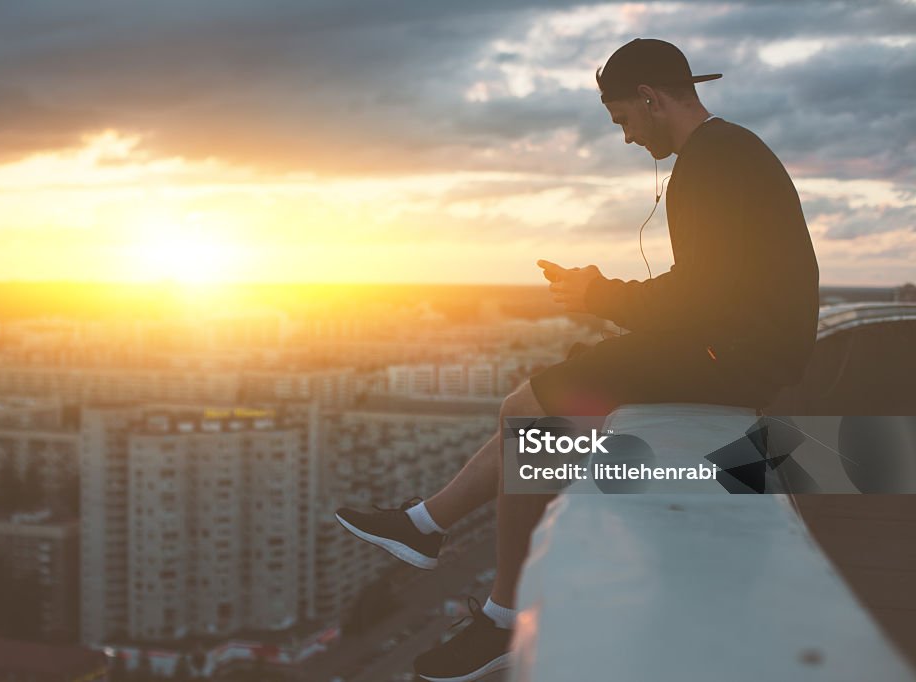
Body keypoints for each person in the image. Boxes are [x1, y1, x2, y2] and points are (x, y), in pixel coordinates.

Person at [335, 38, 819, 682]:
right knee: (545, 396)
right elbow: (714, 287)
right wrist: (602, 303)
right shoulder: (728, 151)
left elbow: (702, 294)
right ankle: (429, 526)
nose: (625, 139)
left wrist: (599, 295)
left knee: (532, 407)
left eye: (622, 120)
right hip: (740, 344)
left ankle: (498, 611)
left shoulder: (714, 161)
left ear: (649, 100)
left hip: (735, 354)